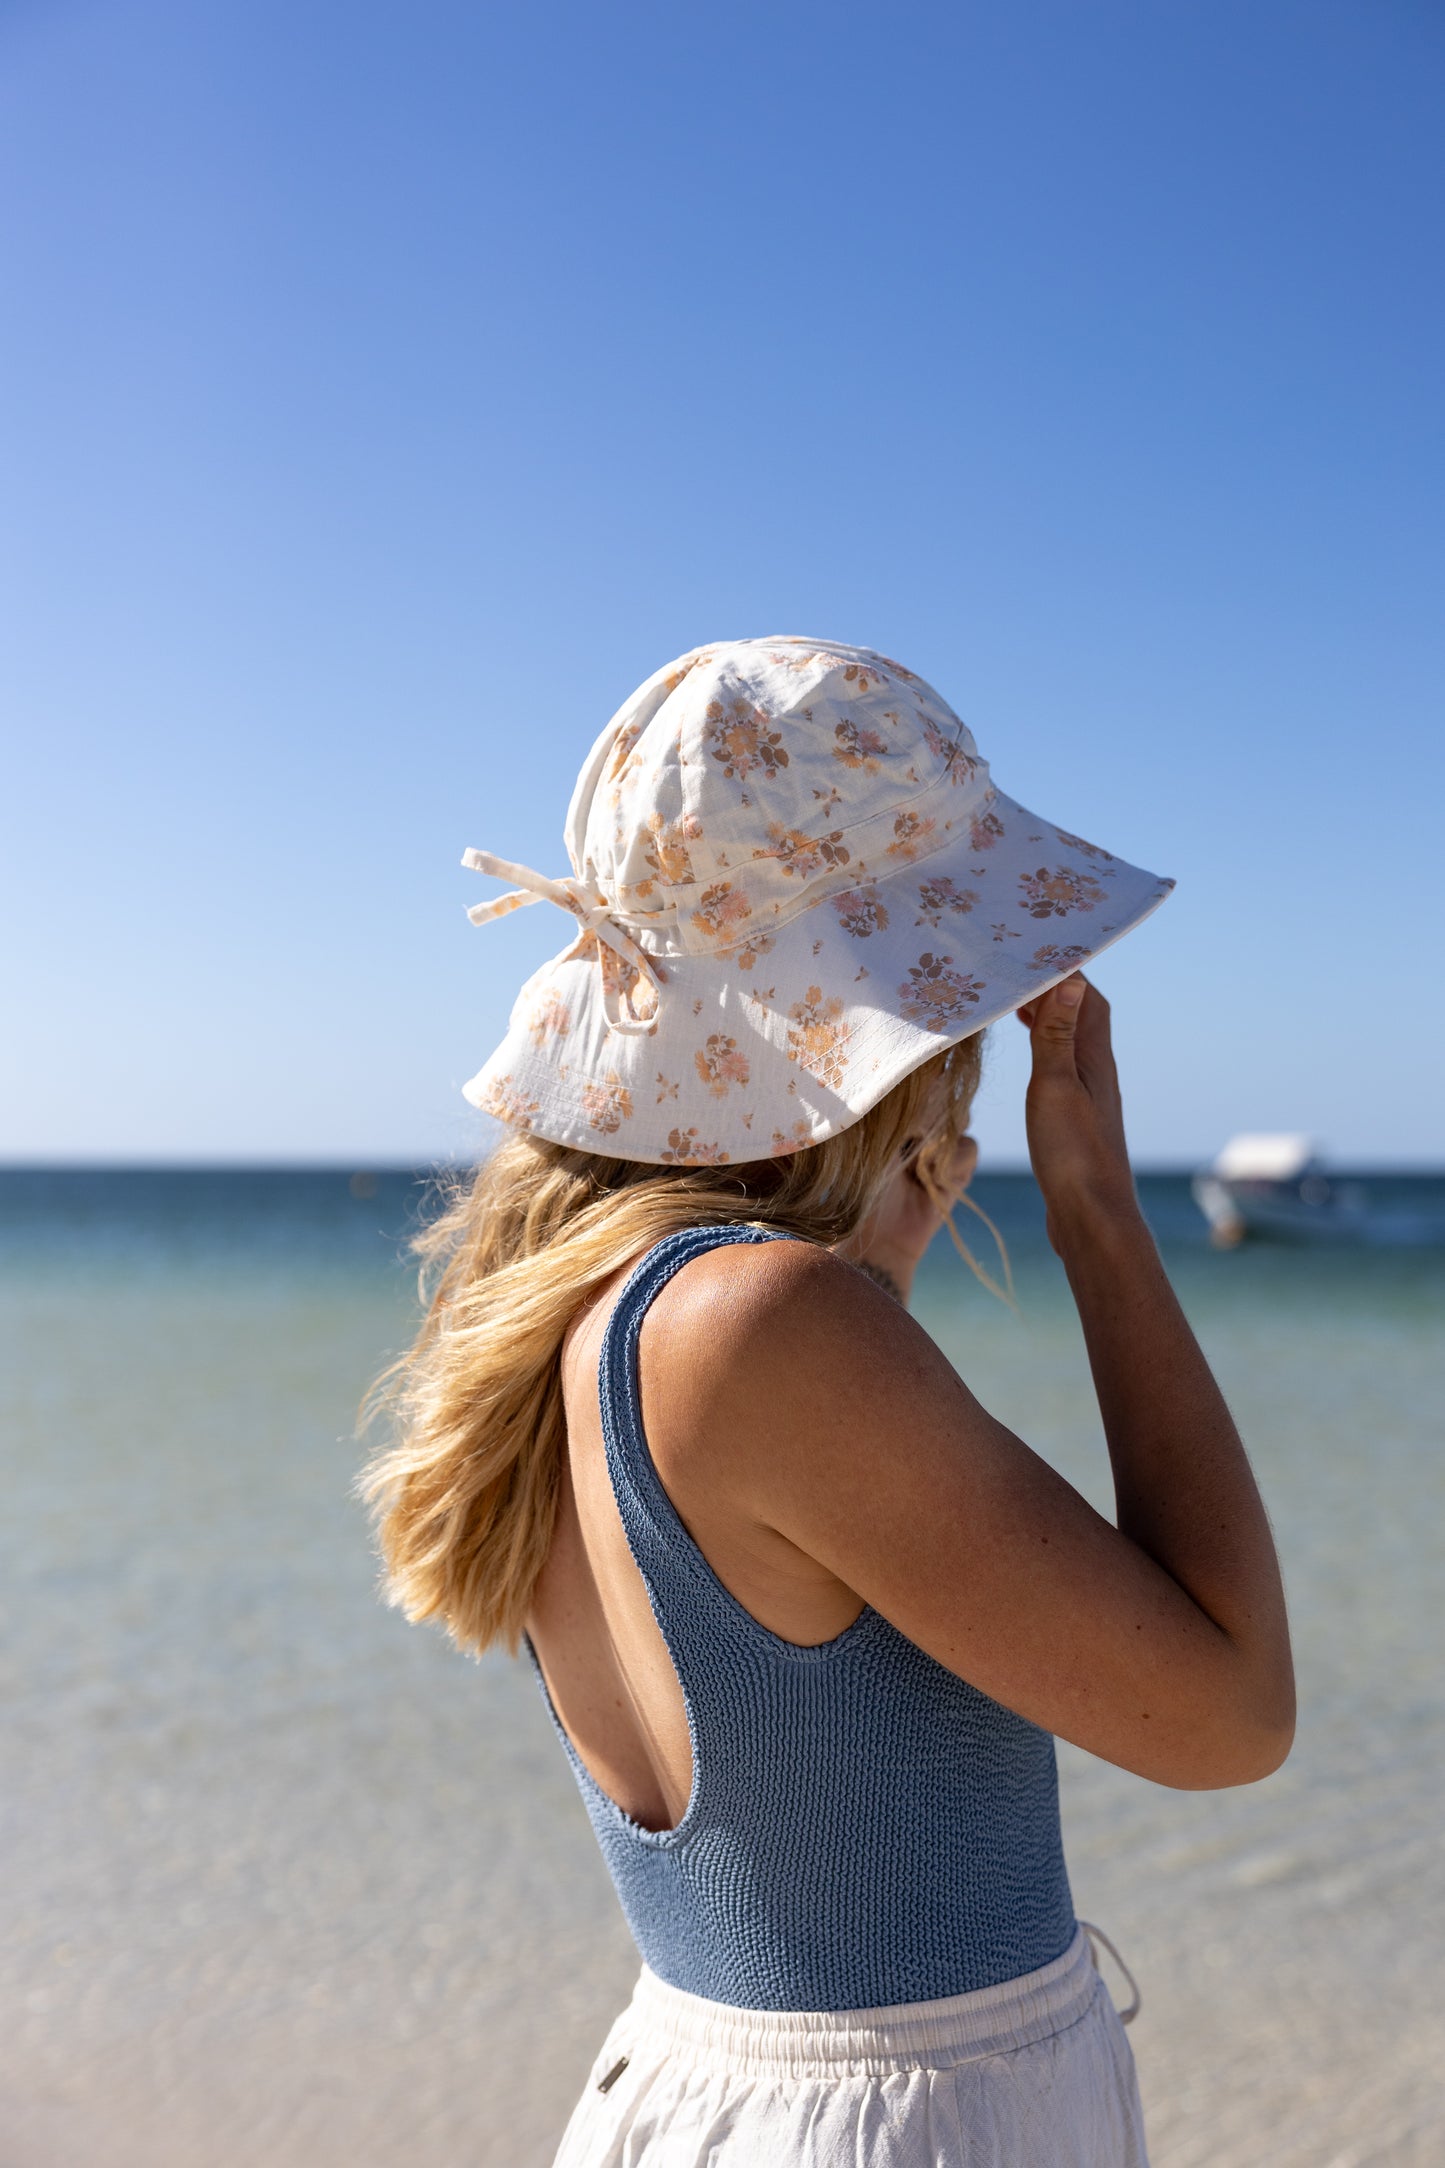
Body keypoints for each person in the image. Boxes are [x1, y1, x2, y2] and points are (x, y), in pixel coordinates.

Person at [362, 638, 1294, 2167]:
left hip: (710, 2084)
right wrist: (1099, 1220)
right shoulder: (758, 1324)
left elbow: (791, 1647)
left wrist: (874, 1256)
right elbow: (1232, 1714)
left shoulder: (584, 1316)